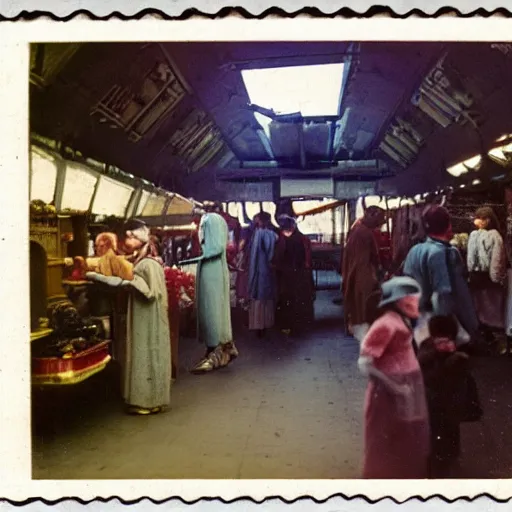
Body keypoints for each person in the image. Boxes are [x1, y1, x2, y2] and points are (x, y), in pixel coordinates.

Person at [86, 219, 171, 415]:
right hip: (151, 316)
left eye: (128, 236)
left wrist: (96, 276)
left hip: (145, 316)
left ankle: (144, 401)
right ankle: (154, 400)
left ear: (136, 238)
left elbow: (144, 289)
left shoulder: (146, 264)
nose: (124, 241)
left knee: (143, 353)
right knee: (152, 353)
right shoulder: (150, 261)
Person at [358, 276, 430, 479]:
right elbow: (364, 363)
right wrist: (394, 387)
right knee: (388, 440)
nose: (414, 302)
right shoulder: (386, 324)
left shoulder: (401, 321)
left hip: (405, 388)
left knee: (406, 437)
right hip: (389, 393)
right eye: (409, 298)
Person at [403, 205, 479, 351]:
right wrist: (469, 326)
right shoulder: (446, 253)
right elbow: (446, 295)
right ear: (448, 226)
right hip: (439, 327)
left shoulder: (414, 251)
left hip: (418, 323)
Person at [179, 212, 238, 373]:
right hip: (212, 272)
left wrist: (188, 262)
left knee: (212, 311)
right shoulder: (218, 222)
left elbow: (216, 247)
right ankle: (221, 349)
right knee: (213, 311)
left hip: (211, 274)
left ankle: (215, 352)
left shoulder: (210, 222)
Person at [417, 315, 470, 477]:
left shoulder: (427, 347)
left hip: (433, 401)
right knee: (448, 431)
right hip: (444, 402)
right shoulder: (451, 351)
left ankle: (439, 460)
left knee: (438, 433)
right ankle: (445, 459)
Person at [342, 206, 386, 341]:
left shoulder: (356, 229)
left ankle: (354, 326)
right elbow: (375, 256)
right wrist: (380, 271)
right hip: (364, 273)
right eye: (379, 219)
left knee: (355, 301)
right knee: (365, 302)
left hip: (352, 272)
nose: (380, 223)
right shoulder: (365, 233)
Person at [467, 206, 507, 352]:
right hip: (489, 279)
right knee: (493, 310)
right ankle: (494, 340)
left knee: (480, 307)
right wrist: (497, 278)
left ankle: (486, 337)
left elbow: (470, 259)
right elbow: (497, 260)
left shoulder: (473, 236)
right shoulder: (495, 236)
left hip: (476, 278)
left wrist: (471, 272)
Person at [273, 214, 315, 337]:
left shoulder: (281, 240)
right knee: (299, 301)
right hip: (299, 275)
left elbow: (278, 258)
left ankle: (287, 326)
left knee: (286, 301)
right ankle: (300, 326)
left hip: (286, 276)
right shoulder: (301, 239)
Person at [248, 212, 278, 337]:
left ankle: (258, 326)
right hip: (267, 270)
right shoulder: (273, 234)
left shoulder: (260, 233)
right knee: (266, 298)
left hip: (259, 269)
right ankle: (266, 324)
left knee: (258, 298)